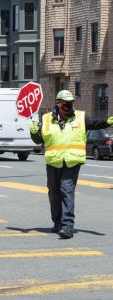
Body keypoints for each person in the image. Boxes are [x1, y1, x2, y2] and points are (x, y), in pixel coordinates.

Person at [30, 89, 113, 239]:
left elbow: (95, 123)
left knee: (66, 190)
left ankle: (67, 226)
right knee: (54, 193)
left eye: (71, 103)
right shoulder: (47, 119)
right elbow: (38, 140)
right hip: (53, 161)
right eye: (65, 104)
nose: (68, 106)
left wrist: (107, 121)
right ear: (58, 103)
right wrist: (33, 131)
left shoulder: (80, 117)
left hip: (72, 161)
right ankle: (57, 223)